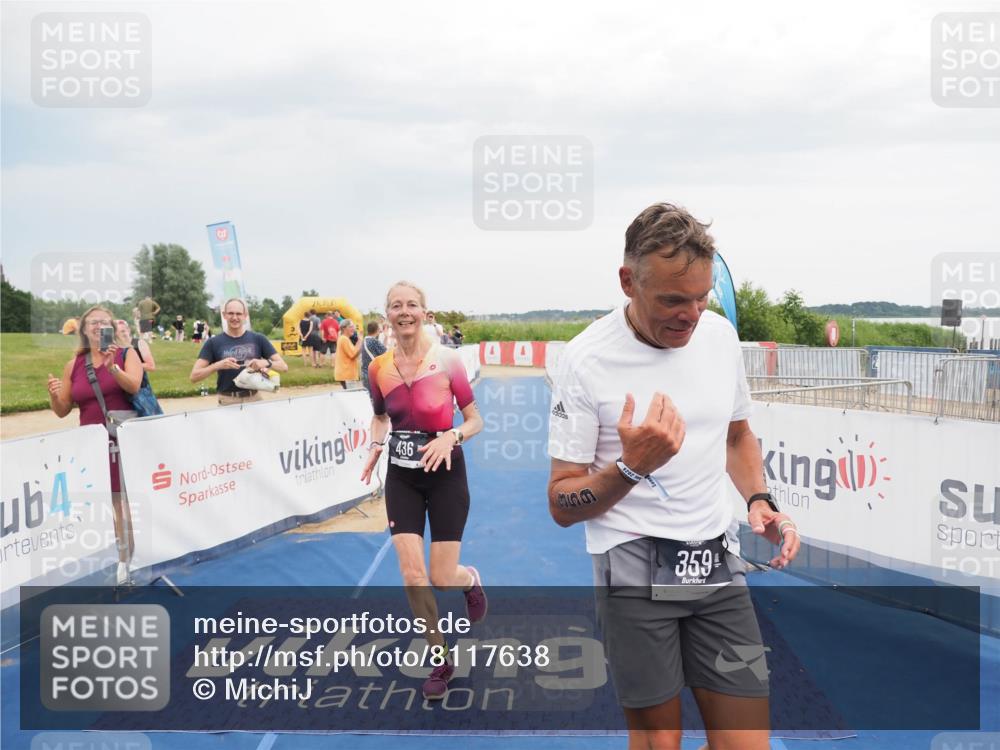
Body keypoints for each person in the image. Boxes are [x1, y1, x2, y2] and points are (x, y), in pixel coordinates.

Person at [547, 203, 801, 750]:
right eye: (671, 300)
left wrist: (759, 498)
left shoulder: (718, 336)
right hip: (632, 567)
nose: (690, 314)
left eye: (700, 297)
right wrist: (631, 466)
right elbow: (562, 504)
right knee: (661, 743)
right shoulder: (585, 359)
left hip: (714, 562)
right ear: (627, 282)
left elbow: (737, 436)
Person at [360, 281, 486, 700]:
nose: (404, 311)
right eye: (396, 305)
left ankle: (468, 582)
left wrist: (451, 437)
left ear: (424, 312)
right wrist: (377, 446)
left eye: (412, 304)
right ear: (388, 315)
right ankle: (440, 658)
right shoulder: (378, 369)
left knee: (440, 577)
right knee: (413, 574)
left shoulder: (449, 361)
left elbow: (474, 420)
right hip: (403, 477)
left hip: (447, 471)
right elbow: (380, 417)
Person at [47, 305, 144, 585]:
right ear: (83, 329)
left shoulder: (127, 354)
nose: (99, 326)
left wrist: (113, 368)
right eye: (93, 322)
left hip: (124, 437)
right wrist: (54, 395)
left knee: (124, 502)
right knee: (107, 503)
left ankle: (129, 561)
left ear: (111, 327)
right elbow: (62, 410)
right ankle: (120, 557)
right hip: (92, 444)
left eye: (104, 322)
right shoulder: (74, 365)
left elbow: (134, 387)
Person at [190, 298, 288, 406]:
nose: (235, 317)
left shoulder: (259, 339)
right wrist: (217, 365)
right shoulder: (213, 342)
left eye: (238, 314)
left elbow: (283, 367)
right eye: (231, 313)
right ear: (224, 315)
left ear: (245, 315)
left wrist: (266, 363)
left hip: (254, 399)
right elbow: (194, 376)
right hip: (228, 401)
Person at [360, 320, 387, 391]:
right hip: (373, 374)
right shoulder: (374, 341)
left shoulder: (365, 339)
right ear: (377, 330)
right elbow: (387, 353)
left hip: (365, 372)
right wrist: (387, 337)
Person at [333, 319, 360, 388]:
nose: (353, 329)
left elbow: (353, 352)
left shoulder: (344, 339)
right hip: (347, 374)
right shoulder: (344, 339)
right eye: (351, 327)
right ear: (344, 328)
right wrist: (360, 342)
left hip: (345, 374)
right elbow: (353, 355)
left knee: (349, 396)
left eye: (353, 327)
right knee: (351, 397)